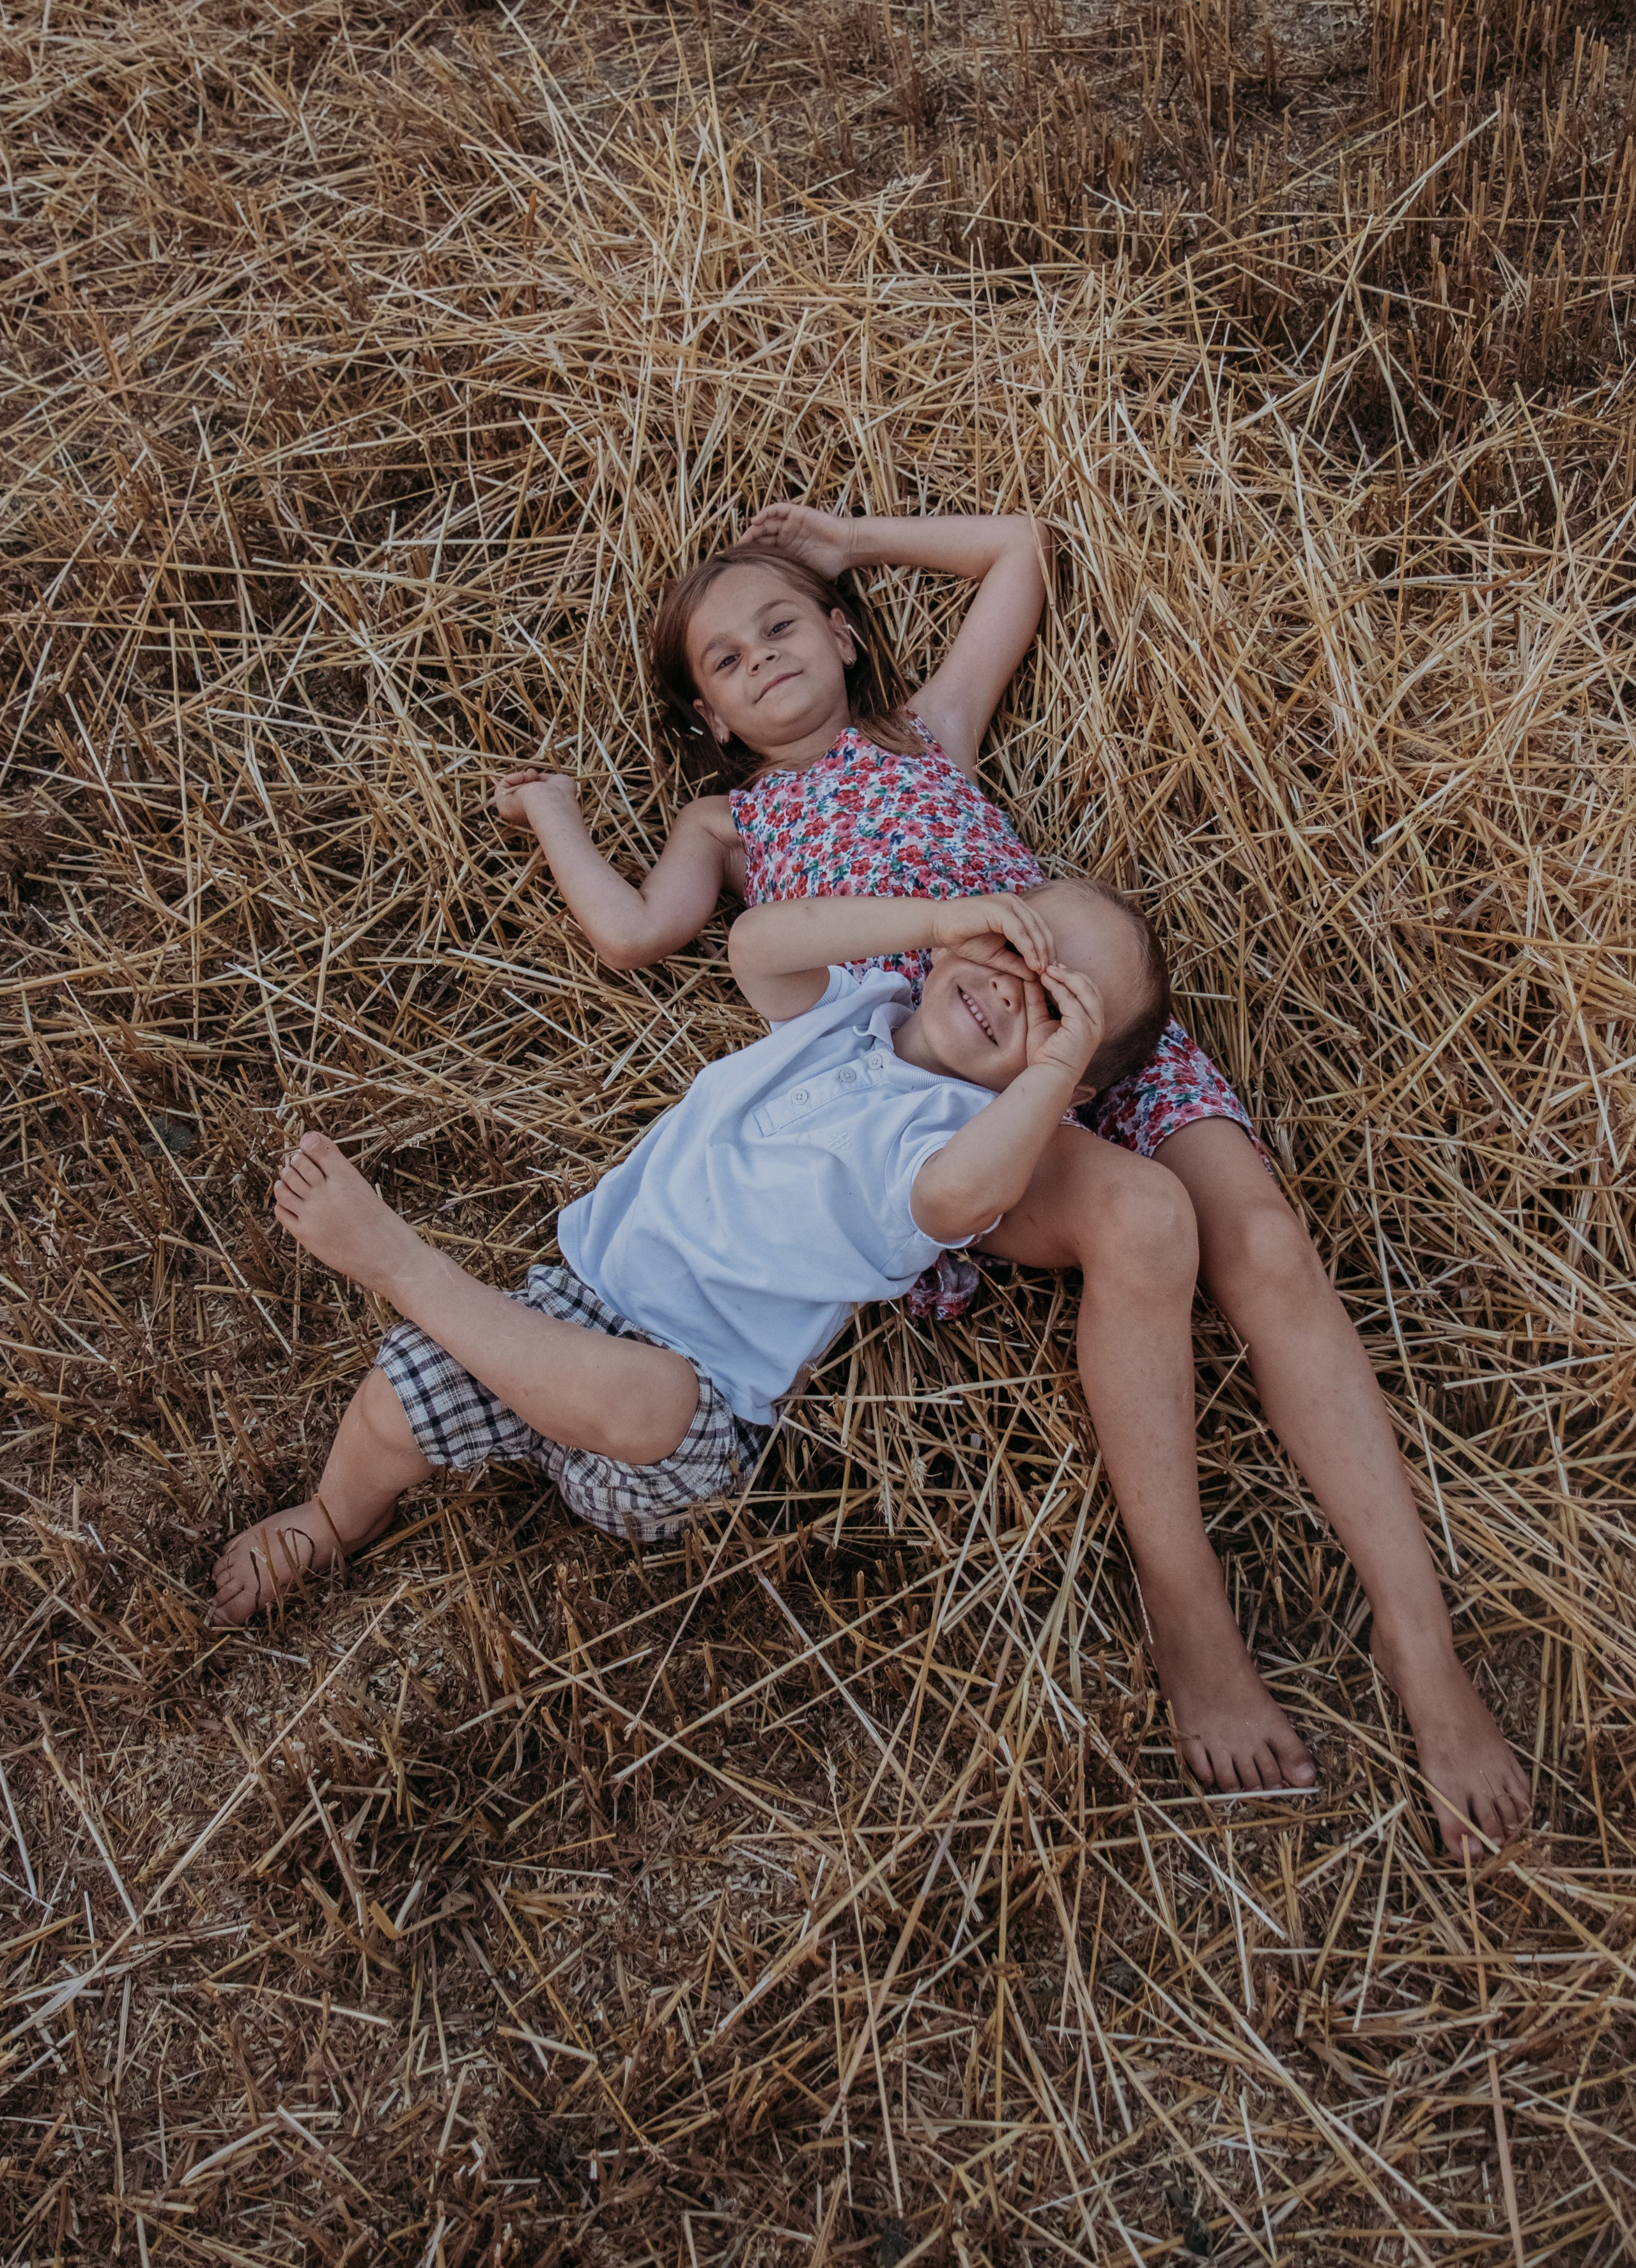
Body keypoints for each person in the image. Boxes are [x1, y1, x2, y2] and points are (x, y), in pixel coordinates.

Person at [490, 507, 1532, 1859]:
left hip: (1091, 1001)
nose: (762, 662)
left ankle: (1417, 1638)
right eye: (727, 662)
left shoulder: (927, 730)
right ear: (710, 714)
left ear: (842, 633)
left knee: (1265, 1244)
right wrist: (558, 818)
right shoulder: (730, 818)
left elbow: (1024, 554)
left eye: (782, 623)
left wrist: (851, 535)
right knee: (1136, 1216)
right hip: (922, 1061)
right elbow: (637, 932)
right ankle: (1186, 1609)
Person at [209, 882, 1152, 1623]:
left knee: (640, 1395)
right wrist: (941, 920)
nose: (1005, 989)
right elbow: (758, 946)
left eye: (1057, 1010)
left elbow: (958, 1198)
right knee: (389, 1405)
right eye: (1018, 948)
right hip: (568, 1309)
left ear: (1060, 1084)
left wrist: (1053, 1074)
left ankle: (407, 1270)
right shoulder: (858, 1004)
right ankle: (333, 1518)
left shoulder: (961, 1137)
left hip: (685, 1419)